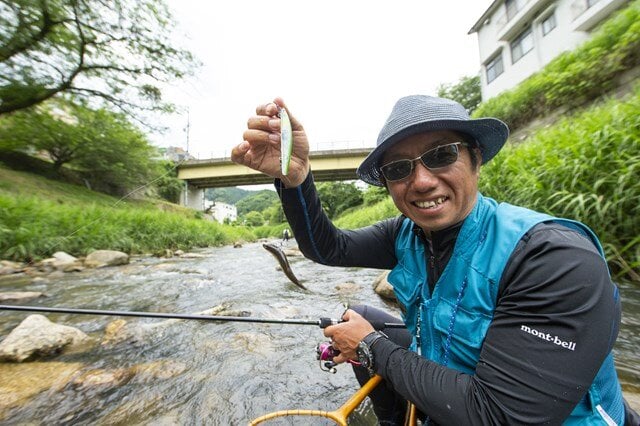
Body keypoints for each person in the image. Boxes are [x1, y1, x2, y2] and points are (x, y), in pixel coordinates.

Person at [232, 95, 638, 425]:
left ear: (475, 158)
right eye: (399, 168)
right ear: (388, 183)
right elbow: (328, 249)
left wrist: (370, 347)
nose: (422, 181)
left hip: (512, 414)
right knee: (355, 313)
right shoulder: (405, 233)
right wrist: (295, 177)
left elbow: (503, 417)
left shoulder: (553, 256)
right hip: (457, 378)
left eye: (441, 155)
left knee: (367, 336)